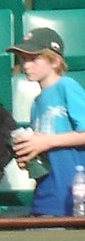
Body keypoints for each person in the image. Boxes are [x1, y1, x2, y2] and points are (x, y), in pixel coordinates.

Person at [8, 27, 85, 216]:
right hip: (46, 197)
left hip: (73, 197)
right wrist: (30, 156)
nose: (26, 65)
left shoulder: (67, 86)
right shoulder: (36, 103)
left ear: (55, 61)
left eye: (34, 59)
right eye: (23, 59)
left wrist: (46, 141)